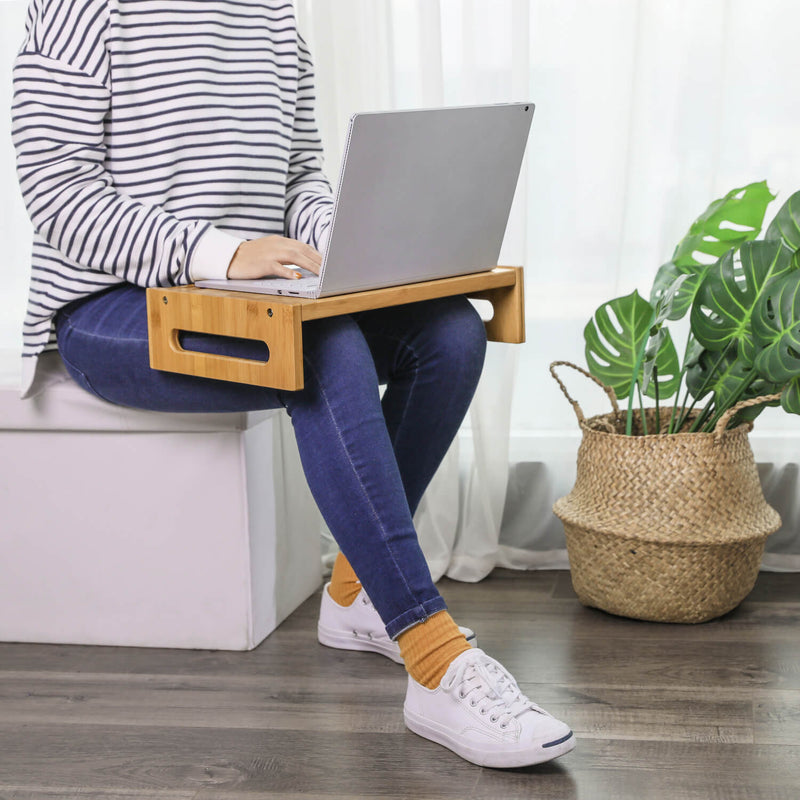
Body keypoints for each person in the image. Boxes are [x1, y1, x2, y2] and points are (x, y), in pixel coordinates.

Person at [12, 0, 574, 768]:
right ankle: (434, 658)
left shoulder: (273, 14)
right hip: (111, 307)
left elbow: (301, 174)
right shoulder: (82, 9)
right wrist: (221, 252)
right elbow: (56, 195)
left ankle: (354, 594)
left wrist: (333, 244)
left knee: (448, 332)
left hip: (254, 297)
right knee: (320, 348)